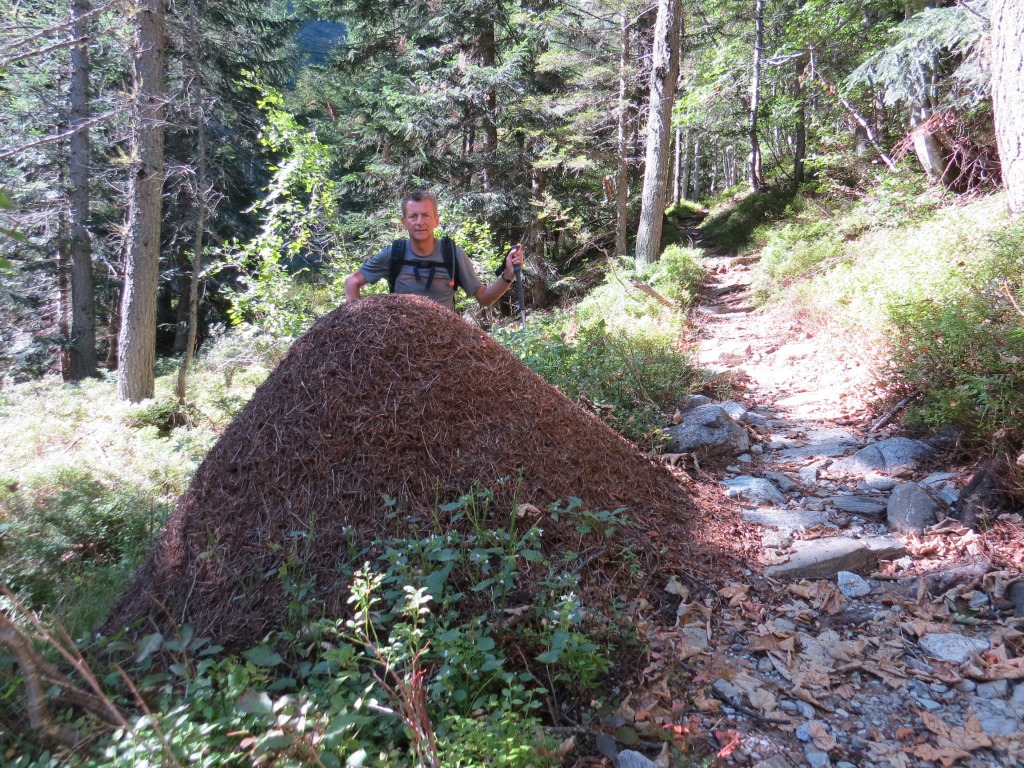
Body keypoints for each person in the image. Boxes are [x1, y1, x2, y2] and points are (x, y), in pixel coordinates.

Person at [344, 190, 524, 310]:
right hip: (400, 346)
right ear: (404, 222)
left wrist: (508, 274)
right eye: (413, 216)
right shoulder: (394, 254)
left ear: (436, 220)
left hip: (444, 346)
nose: (419, 222)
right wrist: (356, 325)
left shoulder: (452, 254)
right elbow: (352, 281)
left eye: (426, 215)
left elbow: (484, 299)